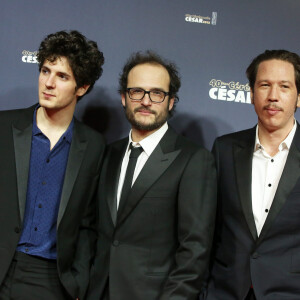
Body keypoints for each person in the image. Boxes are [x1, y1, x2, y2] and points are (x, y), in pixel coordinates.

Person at [86, 51, 217, 300]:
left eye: (157, 93)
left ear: (170, 102)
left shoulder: (193, 160)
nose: (146, 101)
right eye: (137, 91)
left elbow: (194, 249)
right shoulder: (108, 154)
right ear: (124, 98)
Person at [0, 30, 105, 300]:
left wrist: (78, 281)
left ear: (82, 87)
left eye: (62, 76)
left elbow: (88, 223)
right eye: (45, 71)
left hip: (50, 280)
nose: (48, 83)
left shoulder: (93, 146)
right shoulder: (4, 126)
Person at [205, 50, 300, 300]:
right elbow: (208, 229)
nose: (273, 96)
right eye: (264, 85)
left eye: (284, 86)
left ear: (299, 97)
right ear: (251, 94)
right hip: (225, 291)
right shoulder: (224, 149)